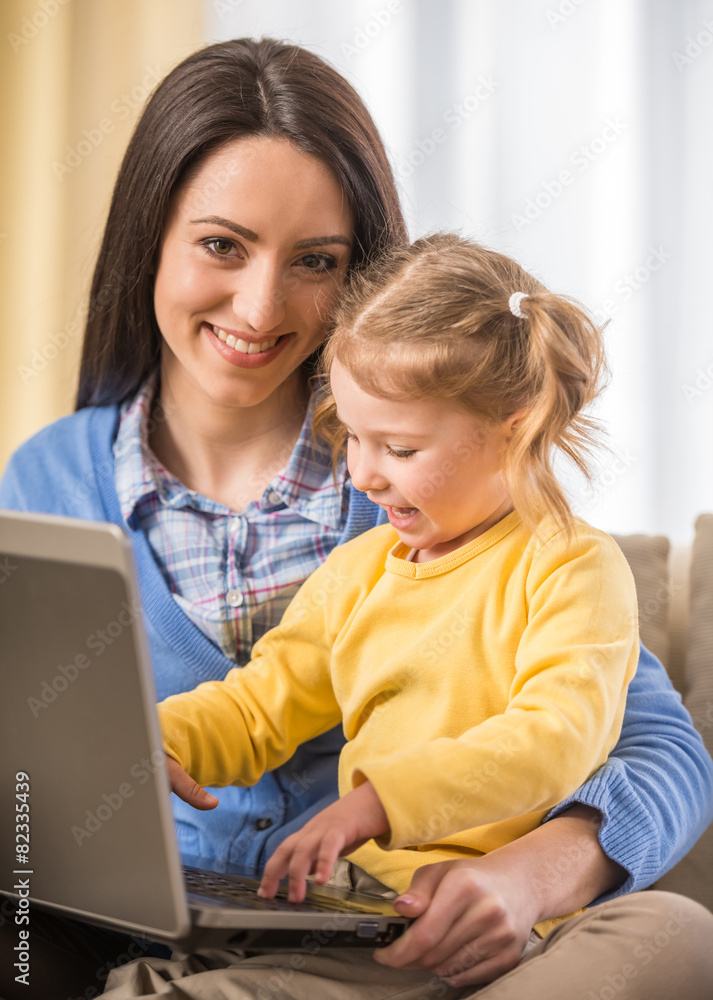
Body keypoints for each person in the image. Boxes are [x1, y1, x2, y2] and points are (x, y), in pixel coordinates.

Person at [0, 37, 711, 1000]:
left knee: (673, 933)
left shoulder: (481, 523)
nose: (259, 306)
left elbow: (649, 745)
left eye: (315, 261)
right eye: (220, 243)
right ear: (150, 238)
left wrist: (534, 868)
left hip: (421, 918)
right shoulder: (50, 479)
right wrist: (140, 743)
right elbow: (254, 702)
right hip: (171, 926)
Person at [157, 233, 641, 918]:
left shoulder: (568, 566)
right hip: (356, 903)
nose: (364, 473)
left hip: (488, 914)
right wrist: (156, 737)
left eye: (402, 447)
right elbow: (258, 706)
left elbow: (556, 735)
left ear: (515, 429)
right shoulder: (357, 571)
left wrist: (379, 802)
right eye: (351, 434)